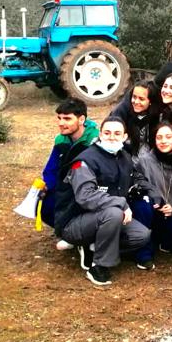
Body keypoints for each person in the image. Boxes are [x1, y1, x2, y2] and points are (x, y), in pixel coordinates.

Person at [55, 118, 152, 286]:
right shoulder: (85, 160)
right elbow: (85, 196)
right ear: (100, 135)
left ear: (125, 136)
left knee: (141, 235)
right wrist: (121, 203)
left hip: (104, 218)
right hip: (74, 221)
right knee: (114, 212)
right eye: (107, 133)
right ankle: (98, 267)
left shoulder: (125, 157)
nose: (112, 137)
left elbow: (134, 179)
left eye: (117, 134)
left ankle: (93, 247)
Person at [41, 98, 99, 251]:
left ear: (81, 119)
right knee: (43, 203)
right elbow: (51, 168)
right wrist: (48, 186)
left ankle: (86, 236)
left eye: (67, 118)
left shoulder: (96, 140)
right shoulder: (61, 140)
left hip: (90, 189)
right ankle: (69, 232)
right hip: (66, 186)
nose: (61, 123)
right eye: (59, 118)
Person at [133, 121, 172, 262]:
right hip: (155, 210)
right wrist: (153, 192)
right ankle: (144, 254)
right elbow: (137, 179)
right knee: (141, 204)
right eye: (159, 137)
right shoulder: (146, 160)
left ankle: (165, 240)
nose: (163, 141)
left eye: (168, 137)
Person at [110, 79, 160, 156]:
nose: (136, 102)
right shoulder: (121, 111)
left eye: (141, 99)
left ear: (150, 101)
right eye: (134, 97)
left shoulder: (158, 115)